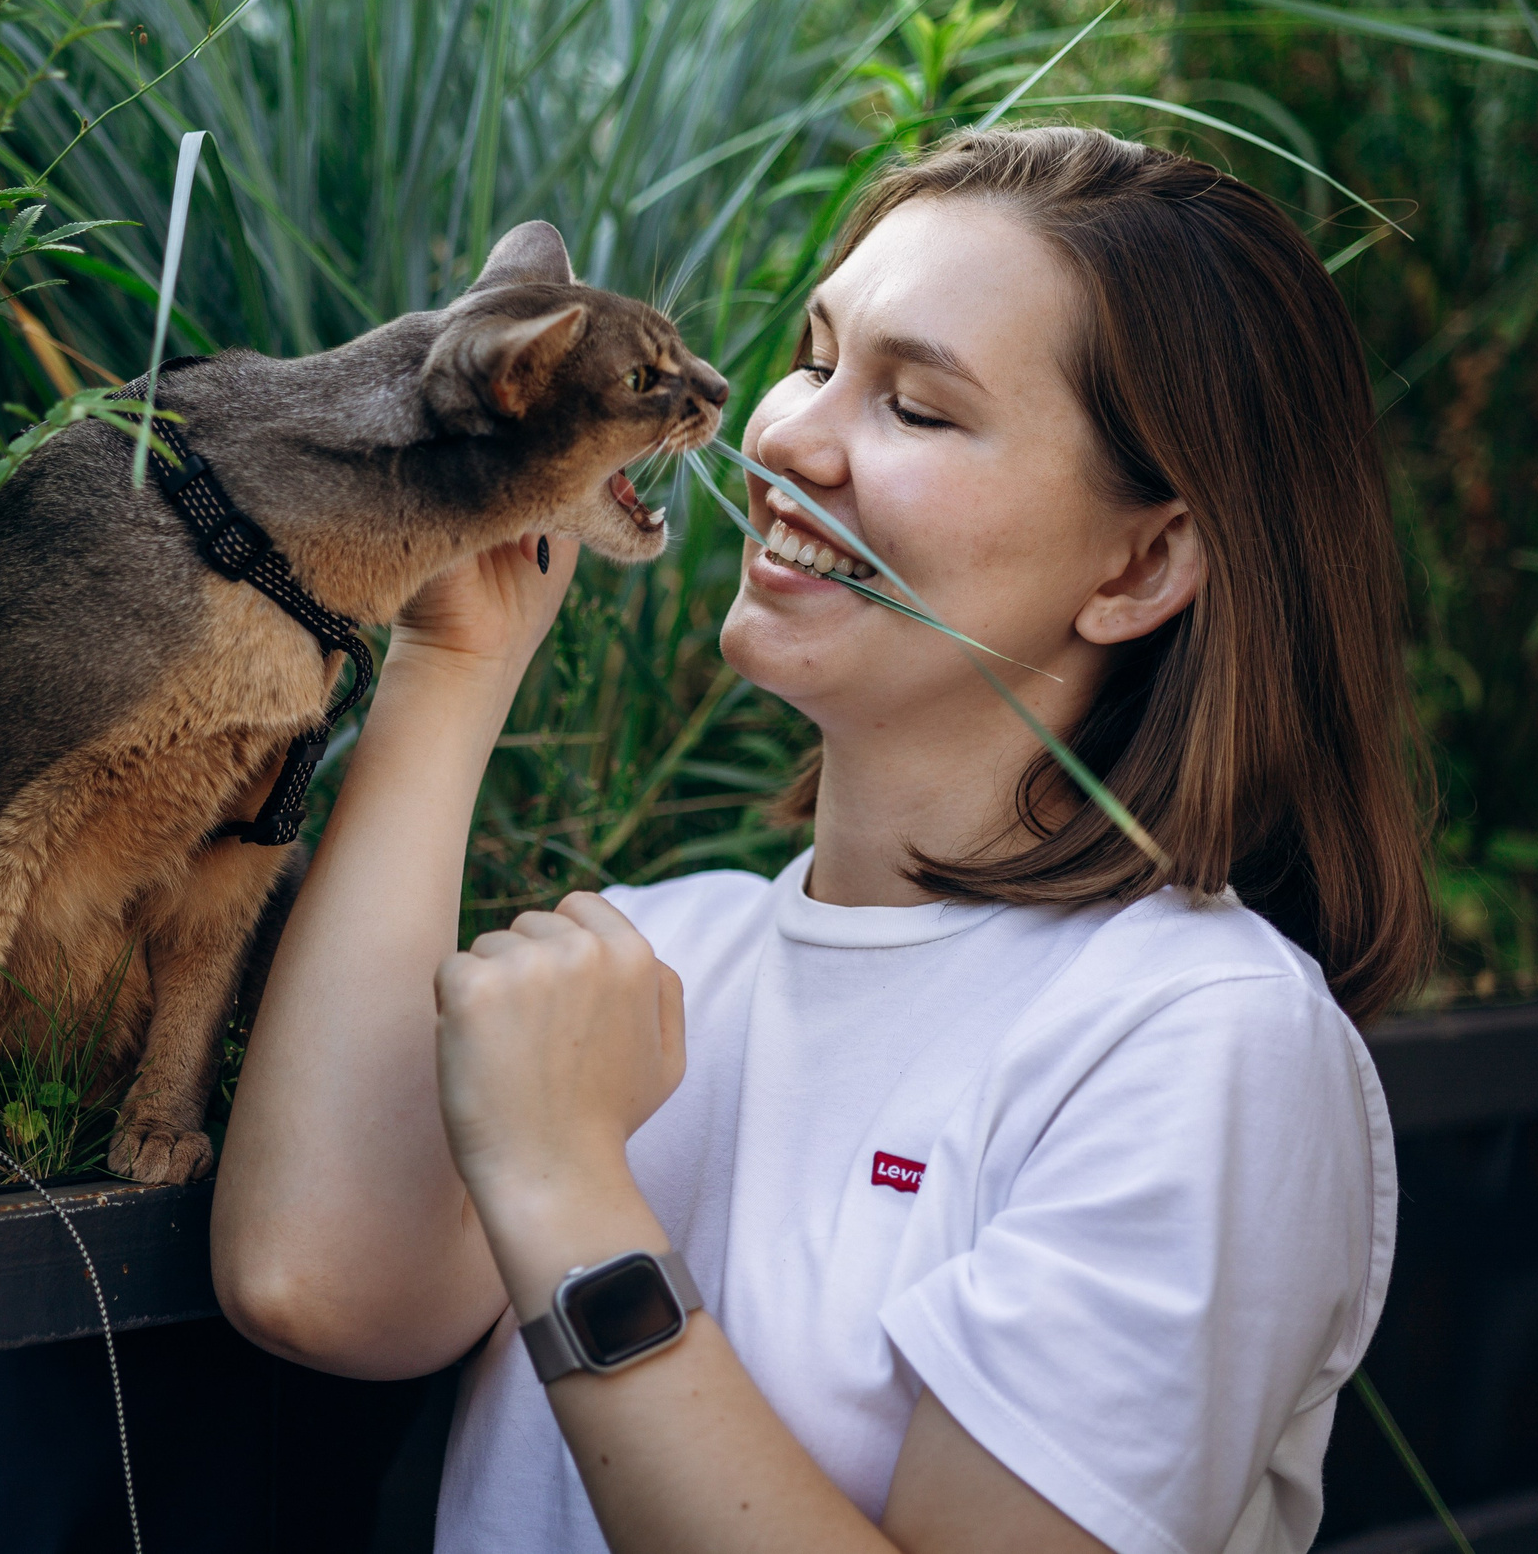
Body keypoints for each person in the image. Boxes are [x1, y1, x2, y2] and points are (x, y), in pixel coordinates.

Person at [210, 124, 1434, 1554]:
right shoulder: (667, 954)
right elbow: (314, 1280)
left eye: (916, 409)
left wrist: (568, 1191)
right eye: (815, 350)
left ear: (1141, 564)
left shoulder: (1193, 1038)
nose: (780, 435)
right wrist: (454, 665)